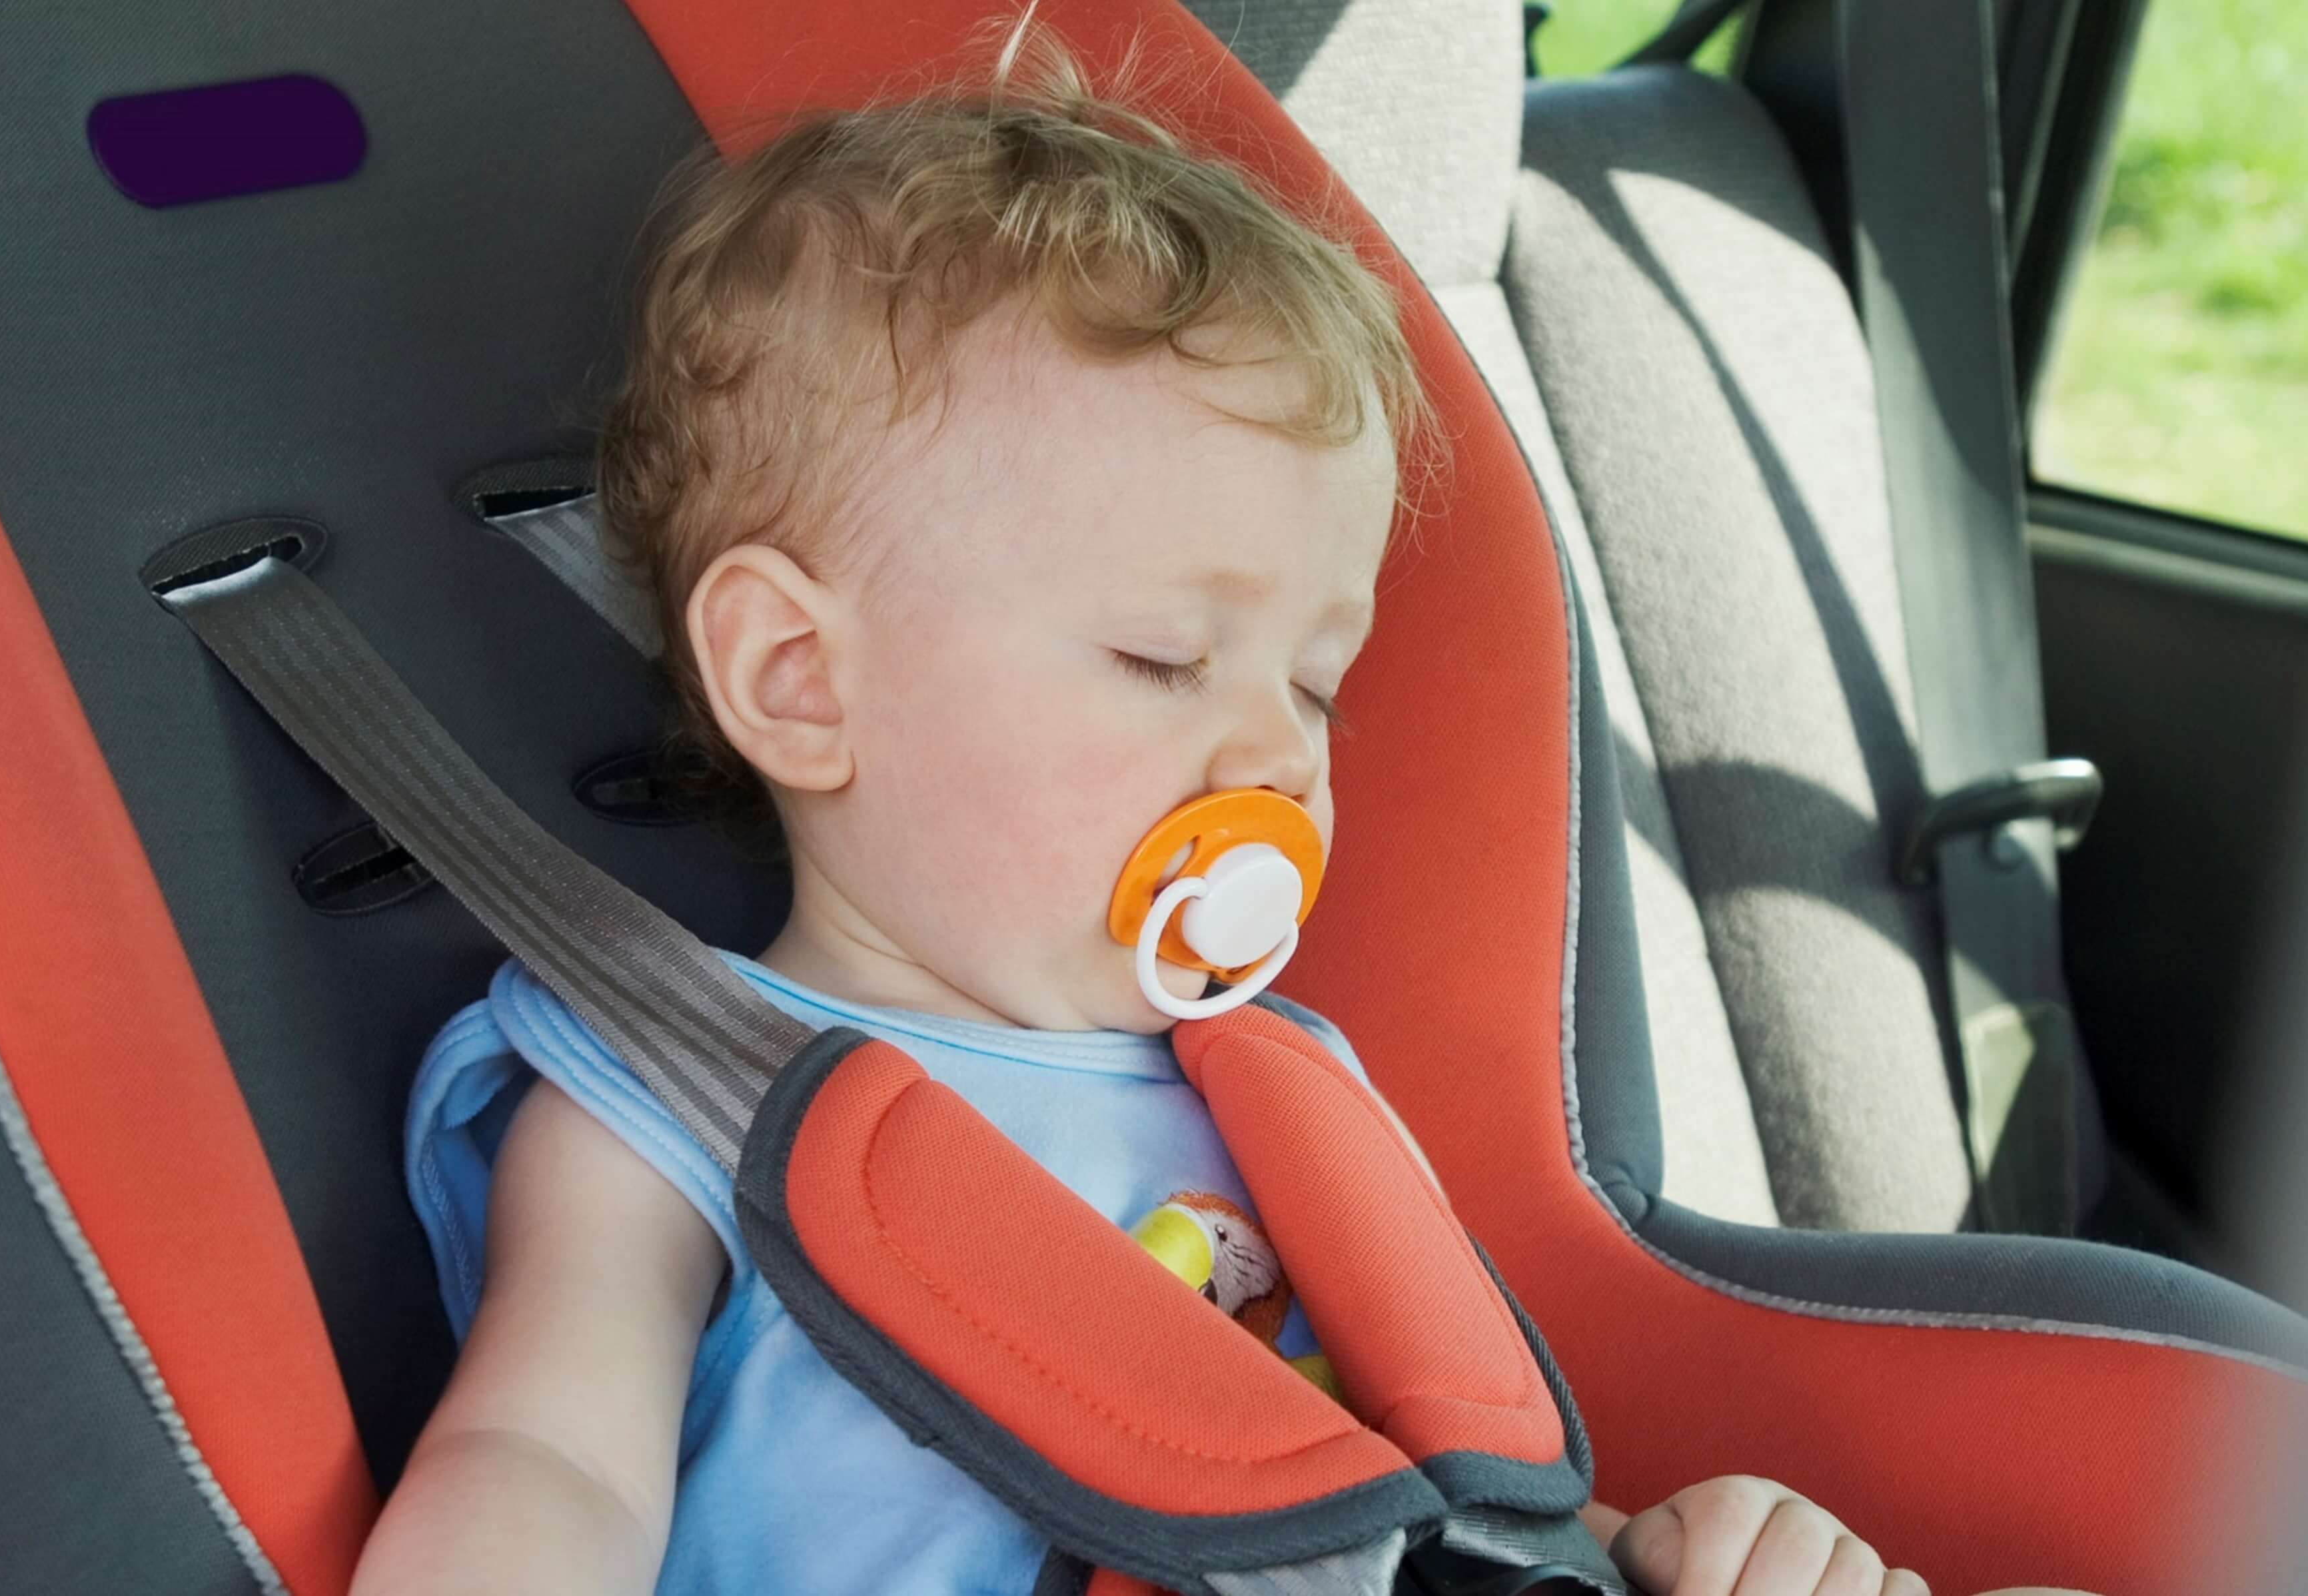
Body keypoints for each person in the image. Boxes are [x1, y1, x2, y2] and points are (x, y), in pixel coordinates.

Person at [358, 24, 2078, 1595]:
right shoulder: (662, 1118)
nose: (1278, 750)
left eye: (1315, 681)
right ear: (801, 678)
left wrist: (1654, 1547)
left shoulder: (1282, 1099)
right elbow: (546, 1460)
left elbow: (1400, 1511)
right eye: (1164, 655)